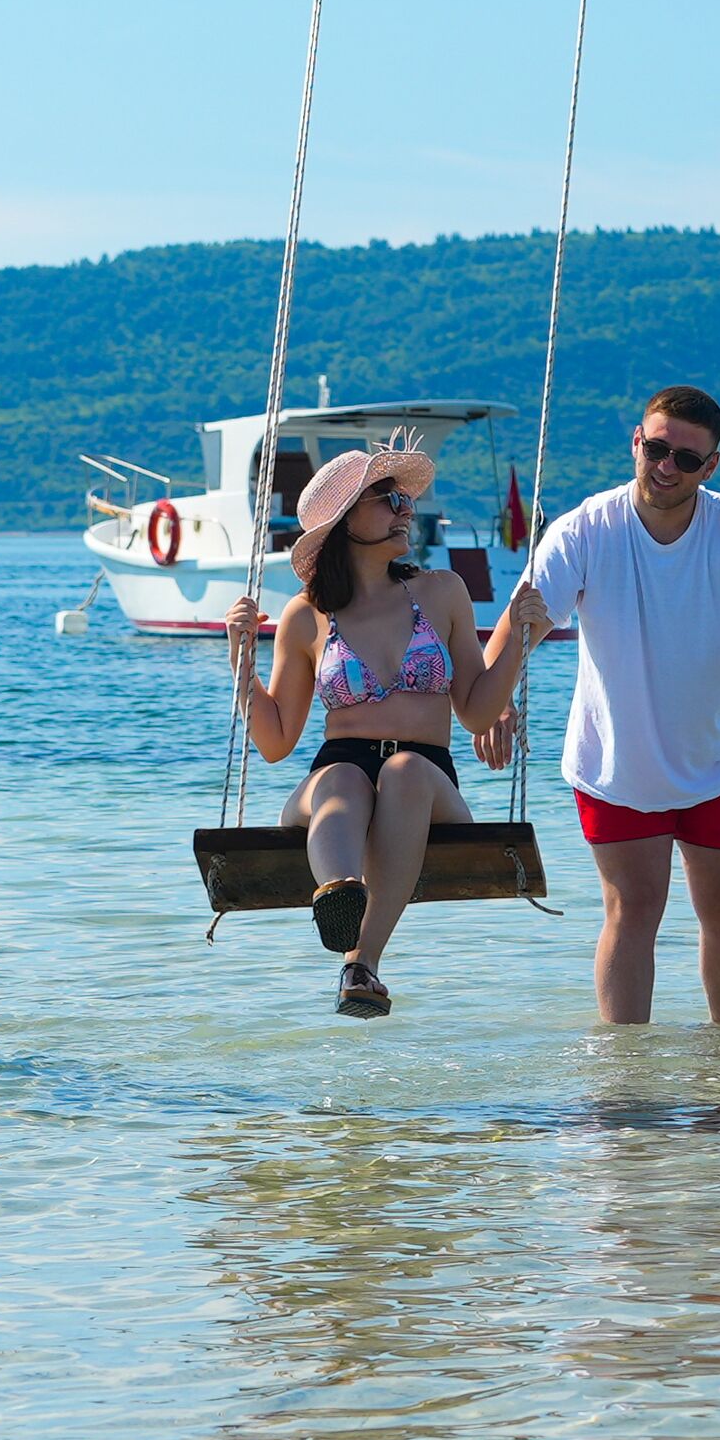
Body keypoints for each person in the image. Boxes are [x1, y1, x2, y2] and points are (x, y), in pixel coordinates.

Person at [488, 385, 720, 1025]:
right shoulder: (584, 529)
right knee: (631, 912)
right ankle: (625, 1091)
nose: (666, 466)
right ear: (637, 442)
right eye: (656, 449)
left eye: (686, 459)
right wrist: (497, 703)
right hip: (616, 764)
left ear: (710, 466)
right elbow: (523, 620)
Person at [229, 435, 536, 1018]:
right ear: (344, 523)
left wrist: (519, 643)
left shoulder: (442, 592)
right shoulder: (306, 615)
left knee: (403, 770)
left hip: (425, 777)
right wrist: (241, 664)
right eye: (386, 500)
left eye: (403, 499)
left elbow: (473, 709)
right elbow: (275, 743)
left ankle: (360, 958)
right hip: (337, 773)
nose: (405, 510)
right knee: (343, 778)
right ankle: (340, 893)